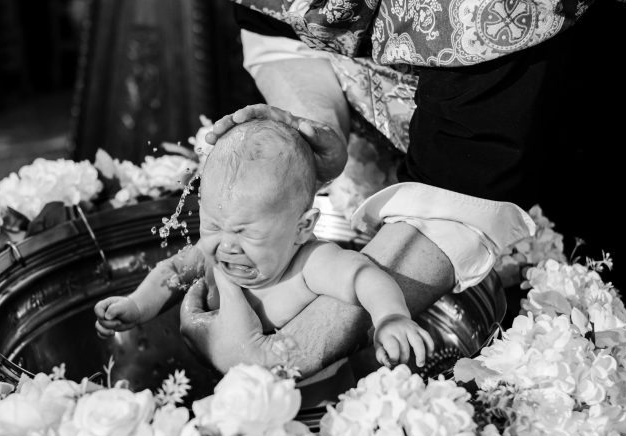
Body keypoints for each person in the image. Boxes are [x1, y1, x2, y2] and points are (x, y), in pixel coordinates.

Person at [176, 0, 562, 378]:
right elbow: (282, 31)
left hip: (545, 198)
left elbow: (471, 167)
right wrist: (311, 143)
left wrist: (277, 357)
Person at [95, 119, 435, 371]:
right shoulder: (216, 248)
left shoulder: (310, 264)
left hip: (309, 403)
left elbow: (365, 276)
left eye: (246, 232)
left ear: (302, 228)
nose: (227, 245)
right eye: (213, 224)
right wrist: (137, 305)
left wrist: (390, 316)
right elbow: (171, 273)